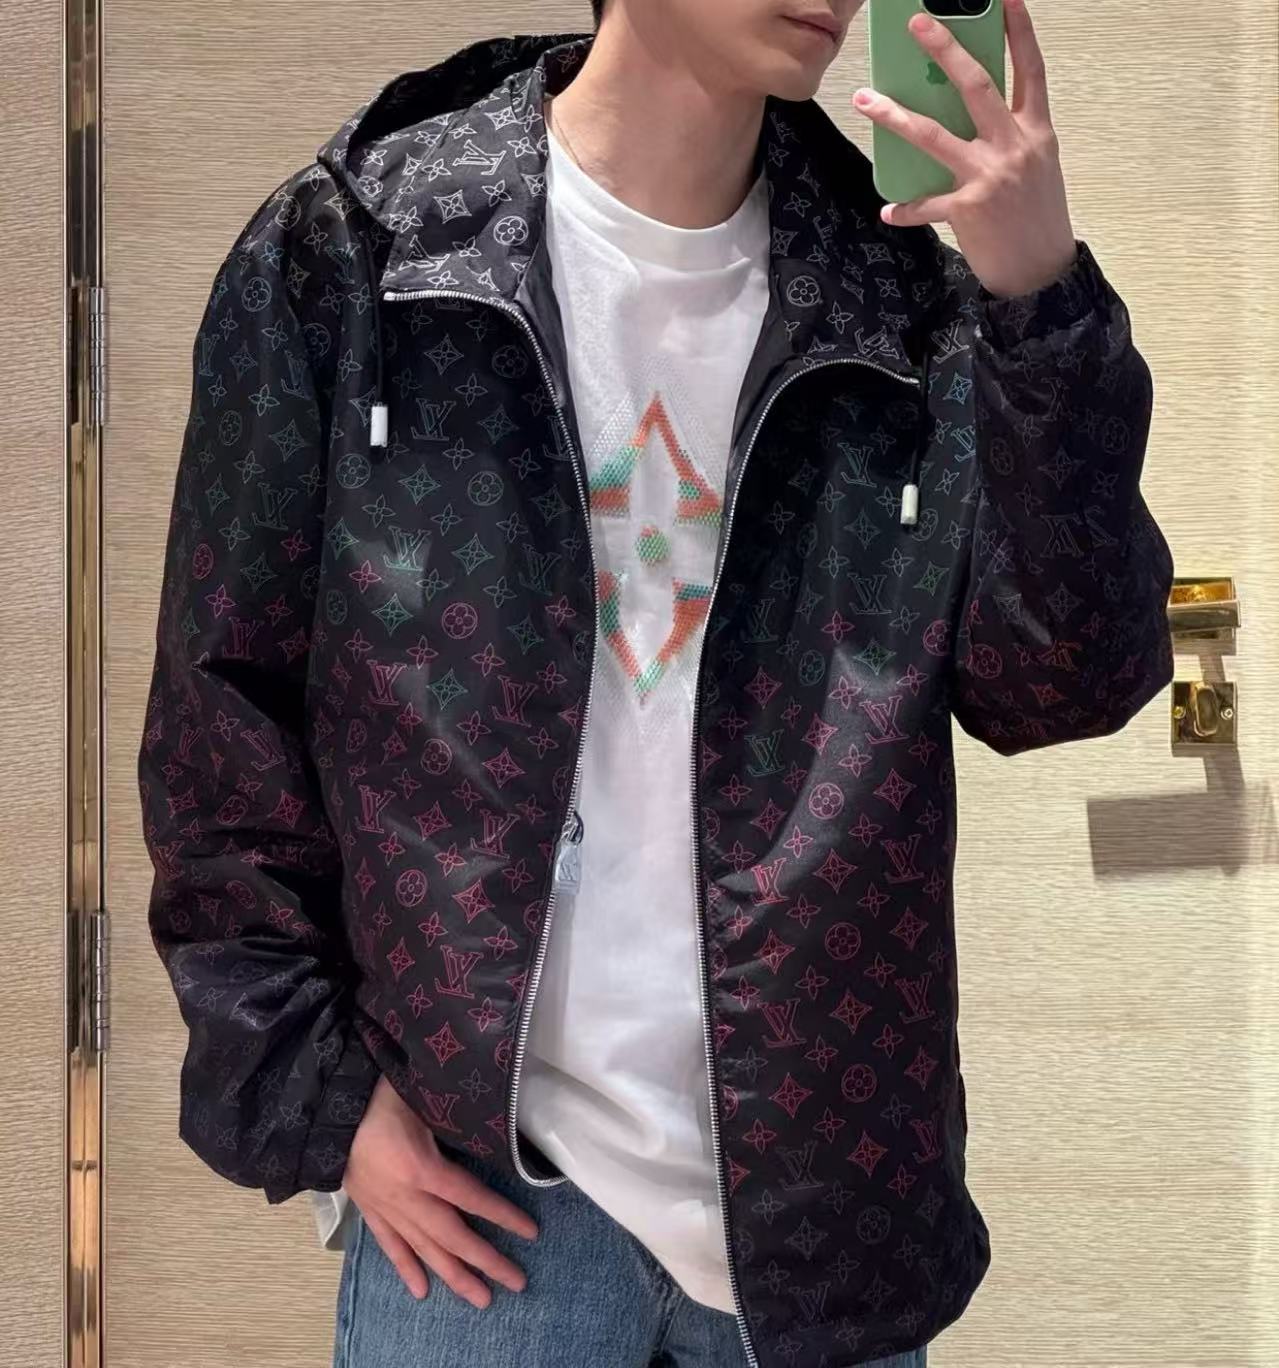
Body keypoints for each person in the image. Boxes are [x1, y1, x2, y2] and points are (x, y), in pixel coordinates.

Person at [136, 1, 1173, 1365]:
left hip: (825, 1212)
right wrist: (321, 1098)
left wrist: (1039, 302)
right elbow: (220, 717)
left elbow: (1062, 681)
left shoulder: (901, 295)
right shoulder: (364, 250)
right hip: (484, 1210)